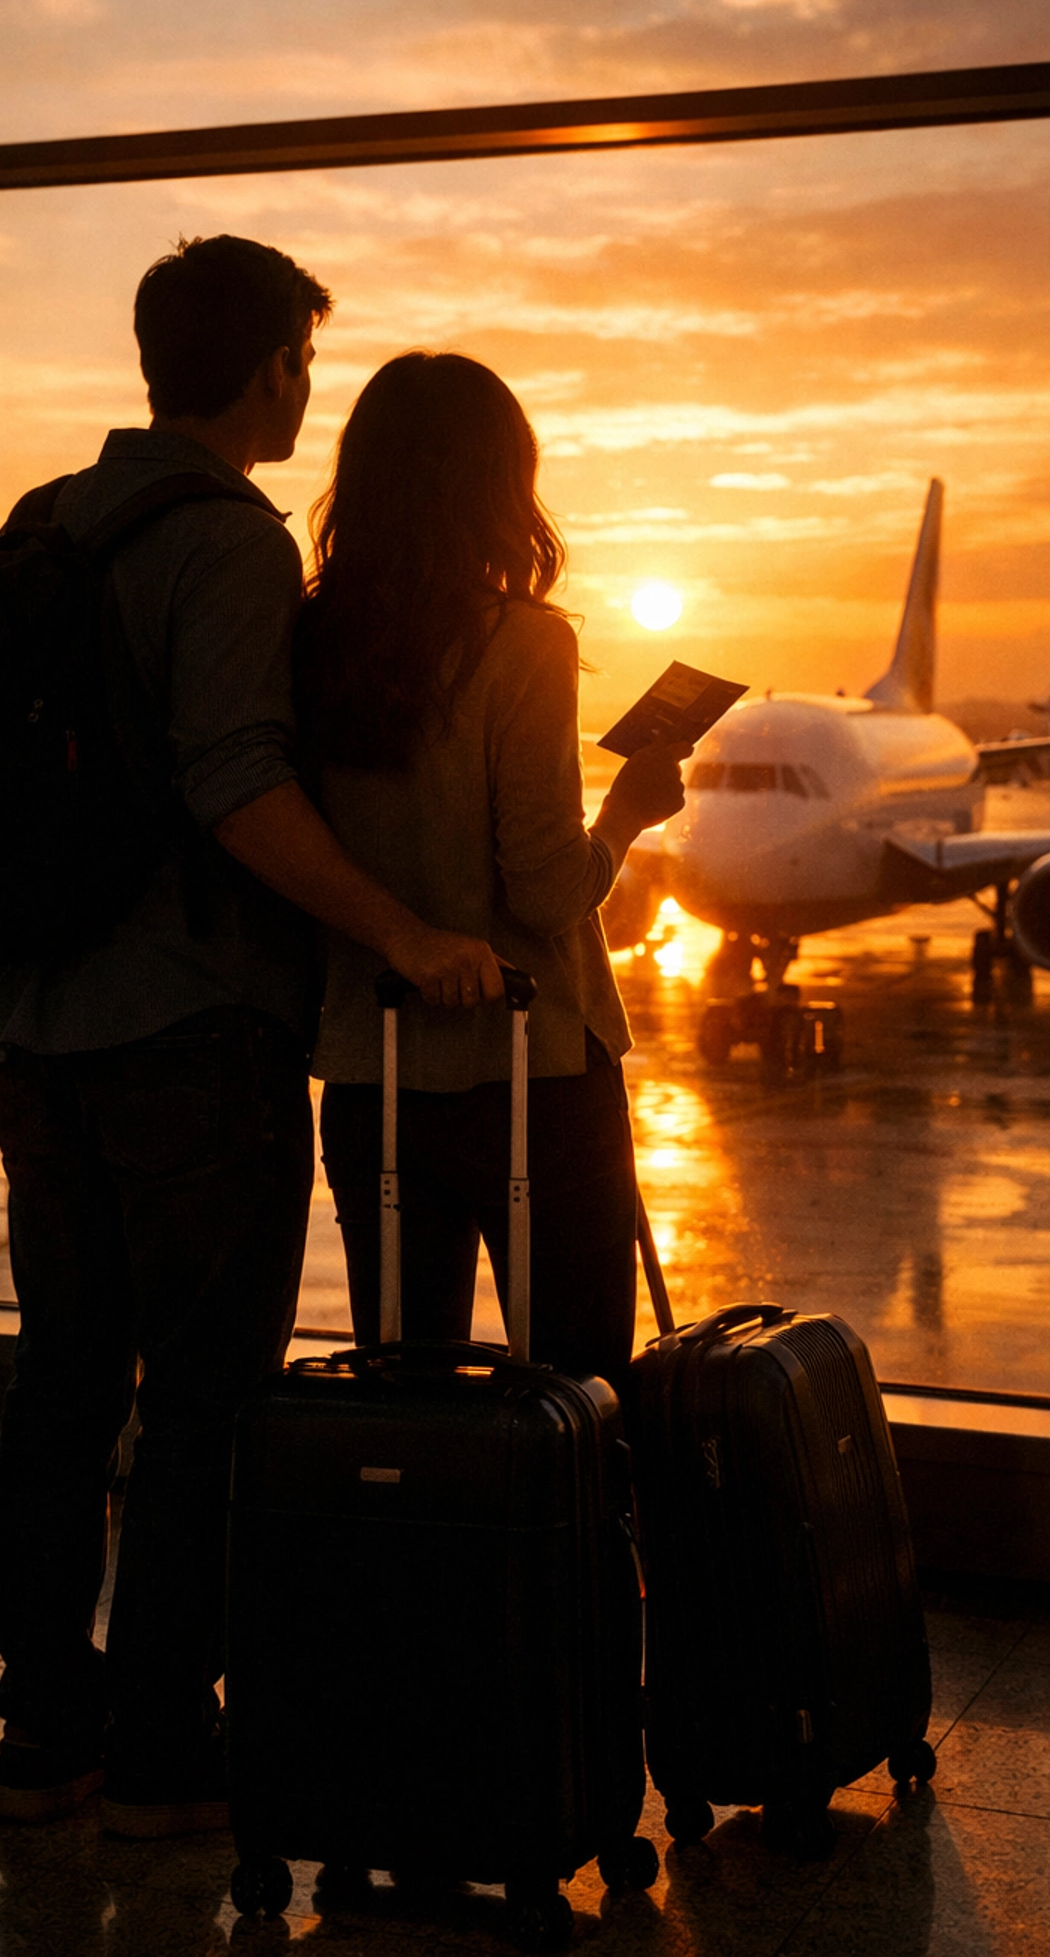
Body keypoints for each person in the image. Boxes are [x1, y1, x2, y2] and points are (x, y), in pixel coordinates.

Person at [0, 240, 502, 1838]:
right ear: (273, 368)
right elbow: (236, 784)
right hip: (190, 1036)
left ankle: (42, 1734)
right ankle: (156, 1747)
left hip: (35, 1024)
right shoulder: (229, 546)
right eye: (302, 364)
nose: (308, 390)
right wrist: (401, 929)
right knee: (203, 1395)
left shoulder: (45, 523)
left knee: (62, 1382)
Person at [298, 350, 684, 1386]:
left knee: (406, 1379)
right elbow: (550, 887)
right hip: (536, 1065)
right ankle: (566, 1556)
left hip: (373, 1071)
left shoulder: (308, 639)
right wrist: (631, 815)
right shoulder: (522, 644)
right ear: (498, 484)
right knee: (576, 1380)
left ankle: (428, 1554)